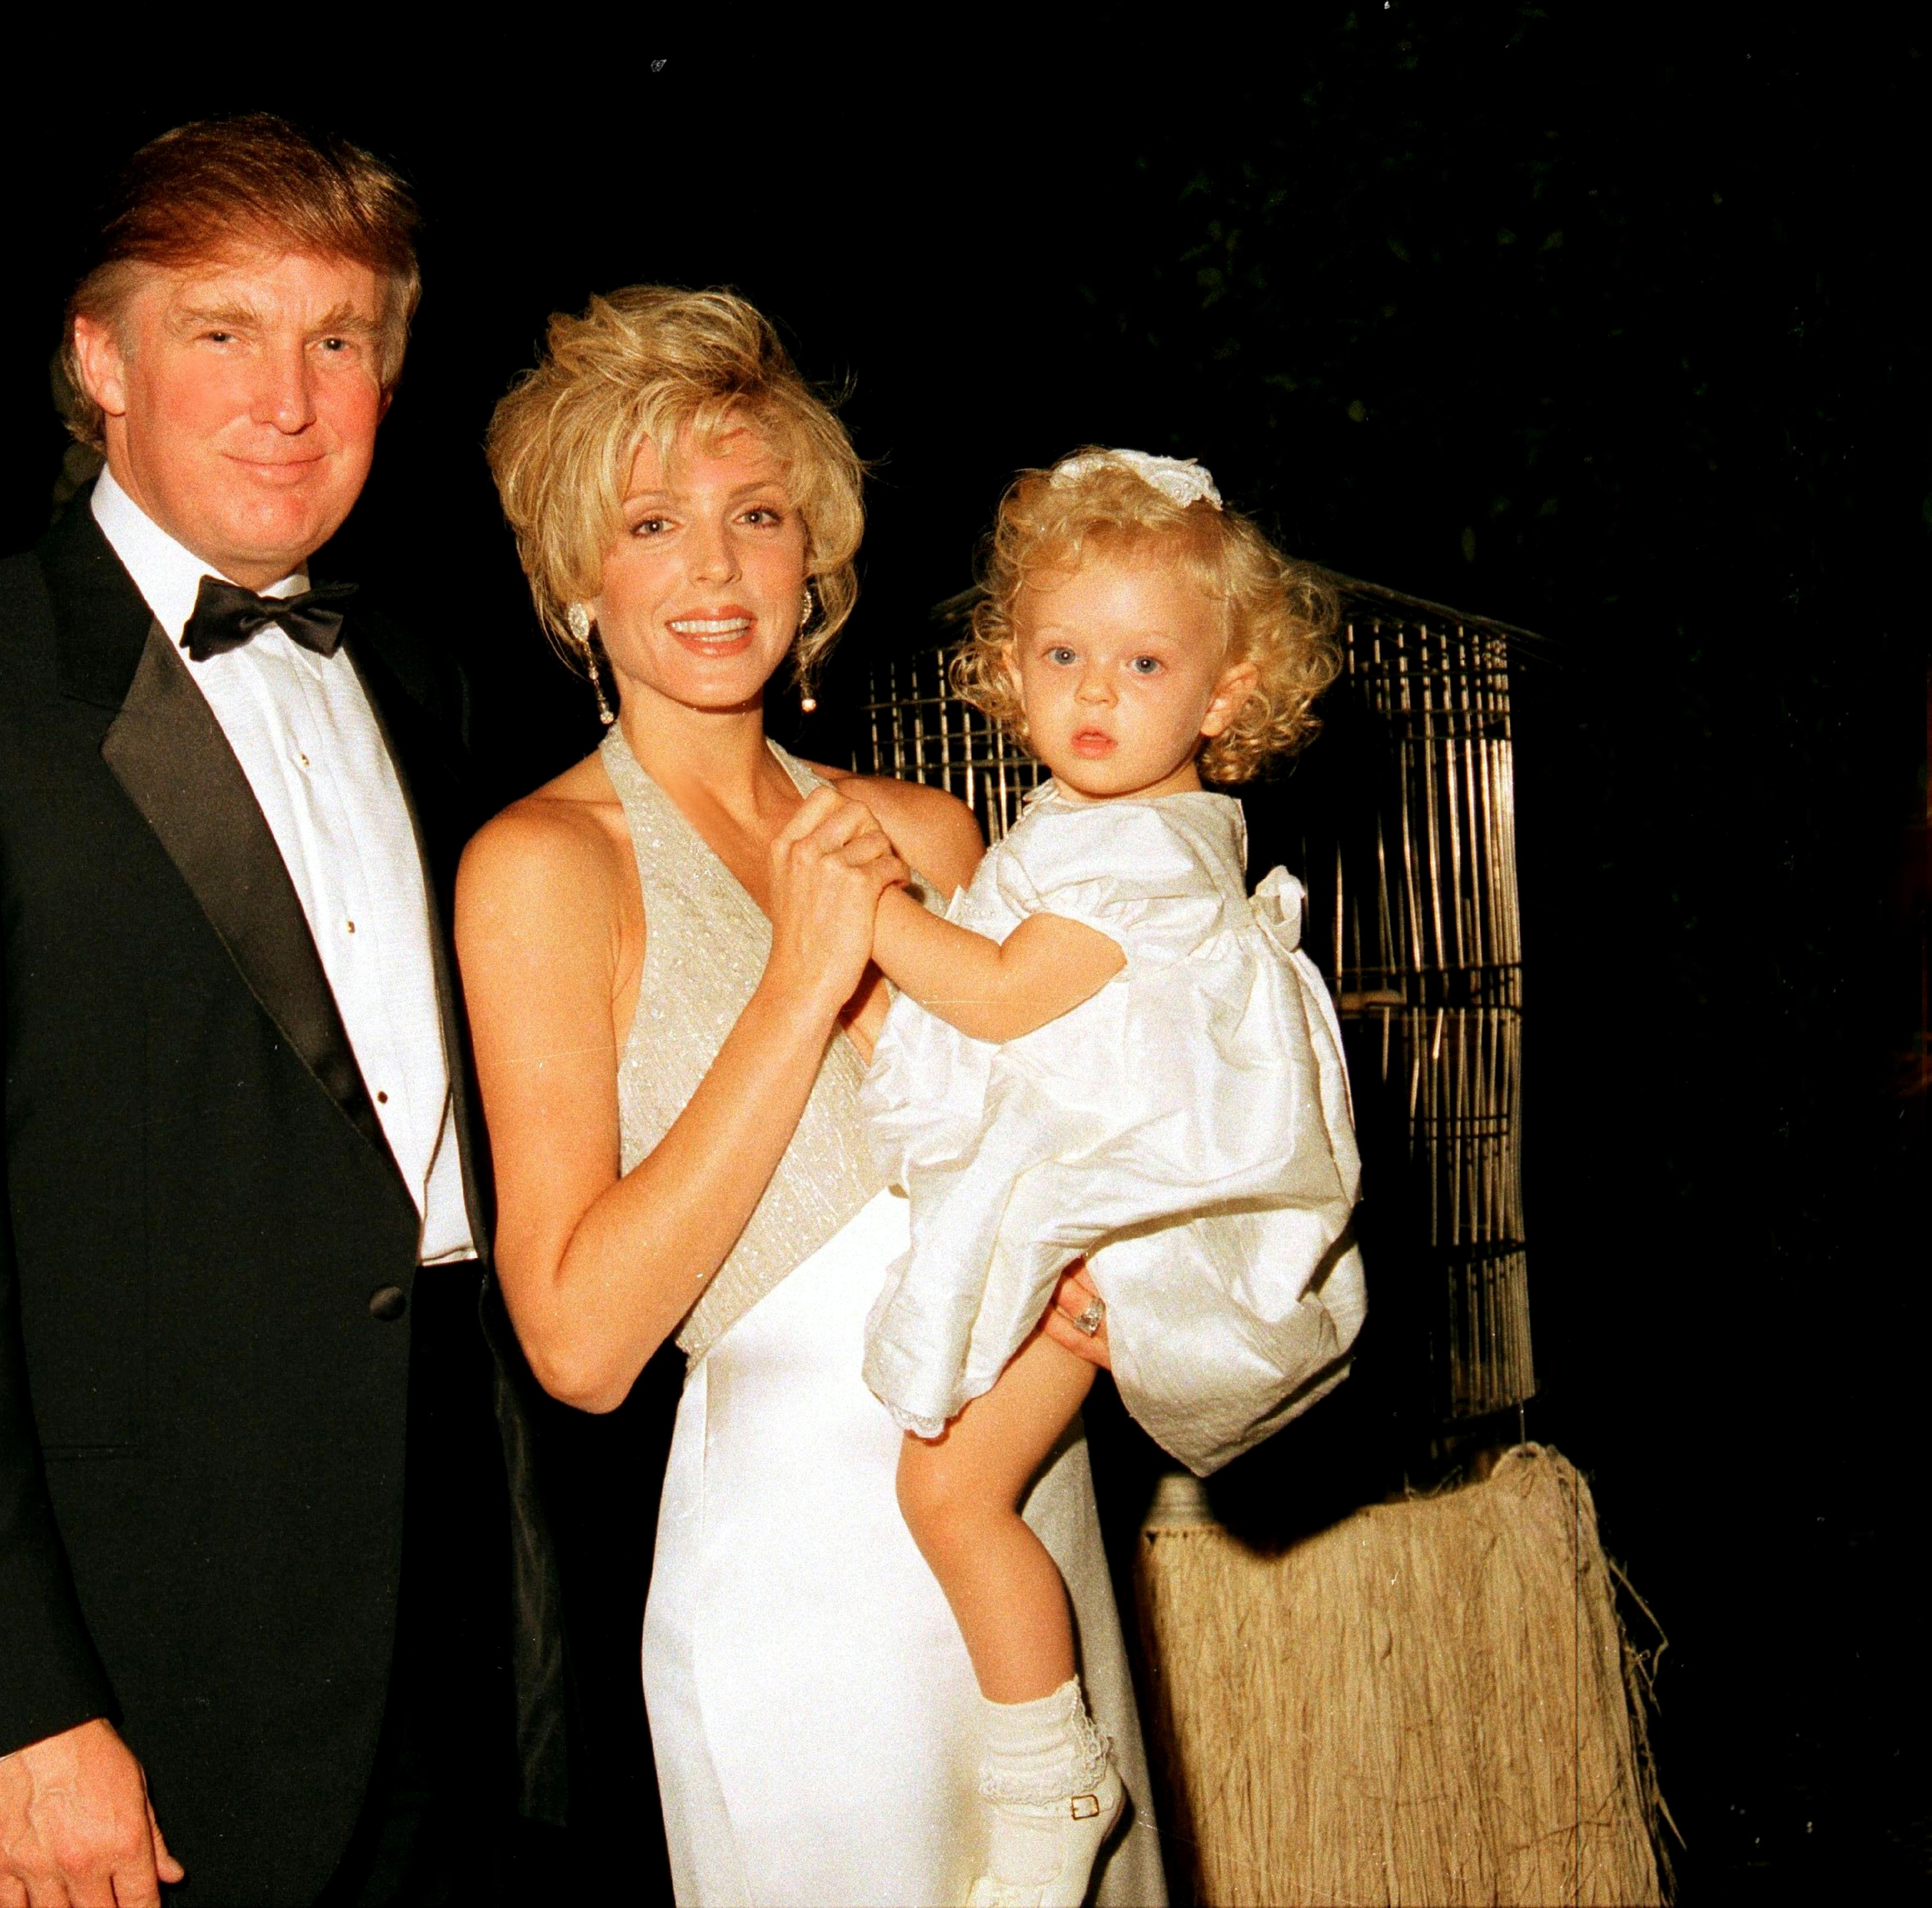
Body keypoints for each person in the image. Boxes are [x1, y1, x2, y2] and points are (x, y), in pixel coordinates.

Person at [0, 115, 559, 1907]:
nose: (288, 398)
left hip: (453, 1651)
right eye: (221, 330)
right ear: (99, 361)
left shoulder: (424, 681)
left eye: (336, 337)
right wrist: (10, 1707)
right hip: (138, 1677)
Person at [456, 289, 1163, 1906]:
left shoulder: (935, 834)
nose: (713, 571)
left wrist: (1114, 1269)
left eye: (757, 515)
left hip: (1024, 1525)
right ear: (576, 580)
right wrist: (797, 984)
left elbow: (1060, 1160)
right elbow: (576, 1345)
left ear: (814, 556)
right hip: (801, 1596)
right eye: (651, 523)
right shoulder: (544, 867)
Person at [860, 448, 1369, 1905]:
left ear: (1223, 694)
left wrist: (865, 911)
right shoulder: (1104, 822)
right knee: (956, 1491)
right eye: (1062, 654)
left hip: (1110, 1227)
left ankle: (1054, 1784)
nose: (1095, 693)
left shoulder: (1139, 847)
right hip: (1086, 1198)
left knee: (950, 1495)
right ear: (1008, 663)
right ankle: (1049, 1774)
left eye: (1144, 664)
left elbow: (1002, 996)